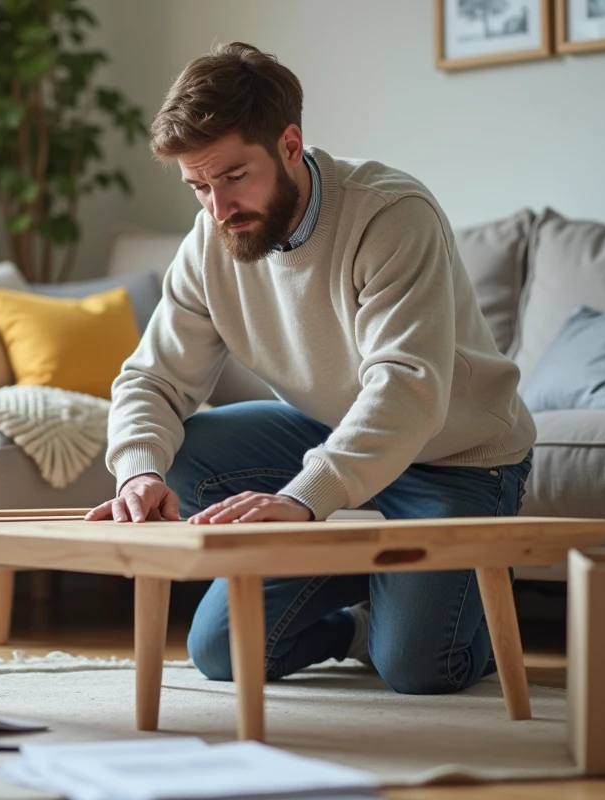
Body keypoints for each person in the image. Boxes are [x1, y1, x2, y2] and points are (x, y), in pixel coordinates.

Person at [84, 42, 536, 695]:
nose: (217, 208)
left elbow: (407, 386)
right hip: (330, 433)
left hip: (459, 456)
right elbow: (152, 380)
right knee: (222, 653)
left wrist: (303, 498)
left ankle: (450, 605)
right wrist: (138, 473)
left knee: (417, 668)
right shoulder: (210, 237)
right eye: (198, 186)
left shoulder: (389, 214)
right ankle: (362, 616)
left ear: (290, 145)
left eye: (234, 177)